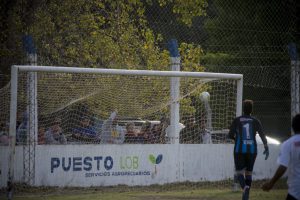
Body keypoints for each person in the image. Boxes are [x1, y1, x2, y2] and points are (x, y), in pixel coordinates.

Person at [228, 99, 269, 200]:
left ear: (243, 109)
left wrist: (236, 139)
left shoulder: (237, 120)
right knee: (249, 173)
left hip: (239, 150)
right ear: (251, 110)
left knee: (239, 172)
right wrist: (266, 146)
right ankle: (247, 193)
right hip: (252, 150)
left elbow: (229, 135)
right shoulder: (255, 121)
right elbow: (262, 134)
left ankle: (245, 188)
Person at [262, 114, 300, 200]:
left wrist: (271, 183)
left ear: (293, 127)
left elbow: (283, 166)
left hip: (295, 190)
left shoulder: (288, 144)